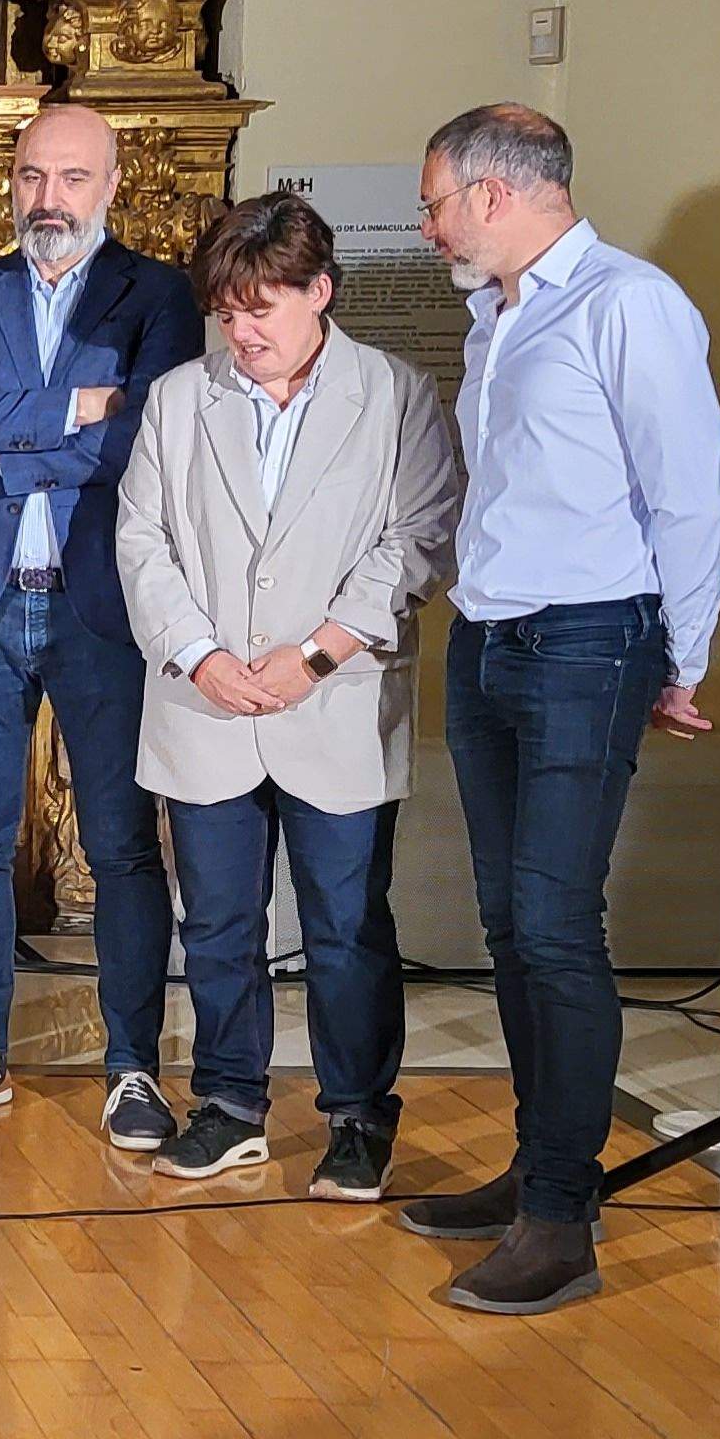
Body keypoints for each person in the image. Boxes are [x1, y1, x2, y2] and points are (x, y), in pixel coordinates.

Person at [396, 104, 720, 1314]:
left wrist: (681, 657)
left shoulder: (628, 304)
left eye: (435, 200)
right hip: (489, 639)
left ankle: (559, 1218)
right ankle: (532, 1173)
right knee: (506, 921)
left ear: (494, 193)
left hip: (592, 638)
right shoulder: (497, 311)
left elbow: (689, 490)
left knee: (553, 921)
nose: (428, 224)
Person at [108, 192, 461, 1202]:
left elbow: (417, 537)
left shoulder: (392, 393)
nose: (243, 331)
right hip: (202, 700)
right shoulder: (181, 398)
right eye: (226, 311)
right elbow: (141, 540)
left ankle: (356, 1117)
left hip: (334, 699)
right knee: (216, 924)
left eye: (261, 307)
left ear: (320, 292)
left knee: (346, 926)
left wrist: (313, 653)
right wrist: (198, 654)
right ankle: (227, 1105)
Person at [0, 104, 195, 1146]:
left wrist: (8, 427)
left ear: (112, 184)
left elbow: (148, 437)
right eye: (31, 177)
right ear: (8, 181)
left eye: (72, 179)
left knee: (119, 844)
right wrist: (78, 404)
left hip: (100, 603)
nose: (49, 200)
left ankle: (132, 1069)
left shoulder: (157, 294)